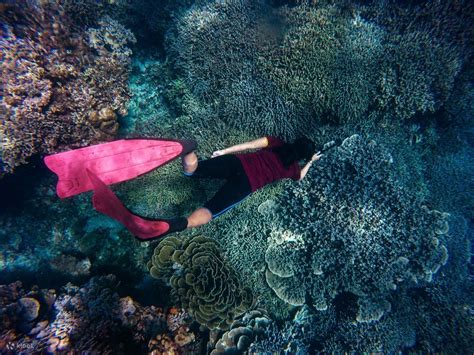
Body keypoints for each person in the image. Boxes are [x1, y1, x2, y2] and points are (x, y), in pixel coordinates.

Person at [169, 136, 322, 233]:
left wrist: (224, 151)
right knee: (211, 210)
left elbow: (250, 145)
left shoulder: (277, 142)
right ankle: (182, 224)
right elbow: (300, 177)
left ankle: (187, 150)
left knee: (194, 171)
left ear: (295, 141)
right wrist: (310, 161)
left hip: (236, 162)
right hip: (246, 183)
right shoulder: (293, 169)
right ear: (302, 157)